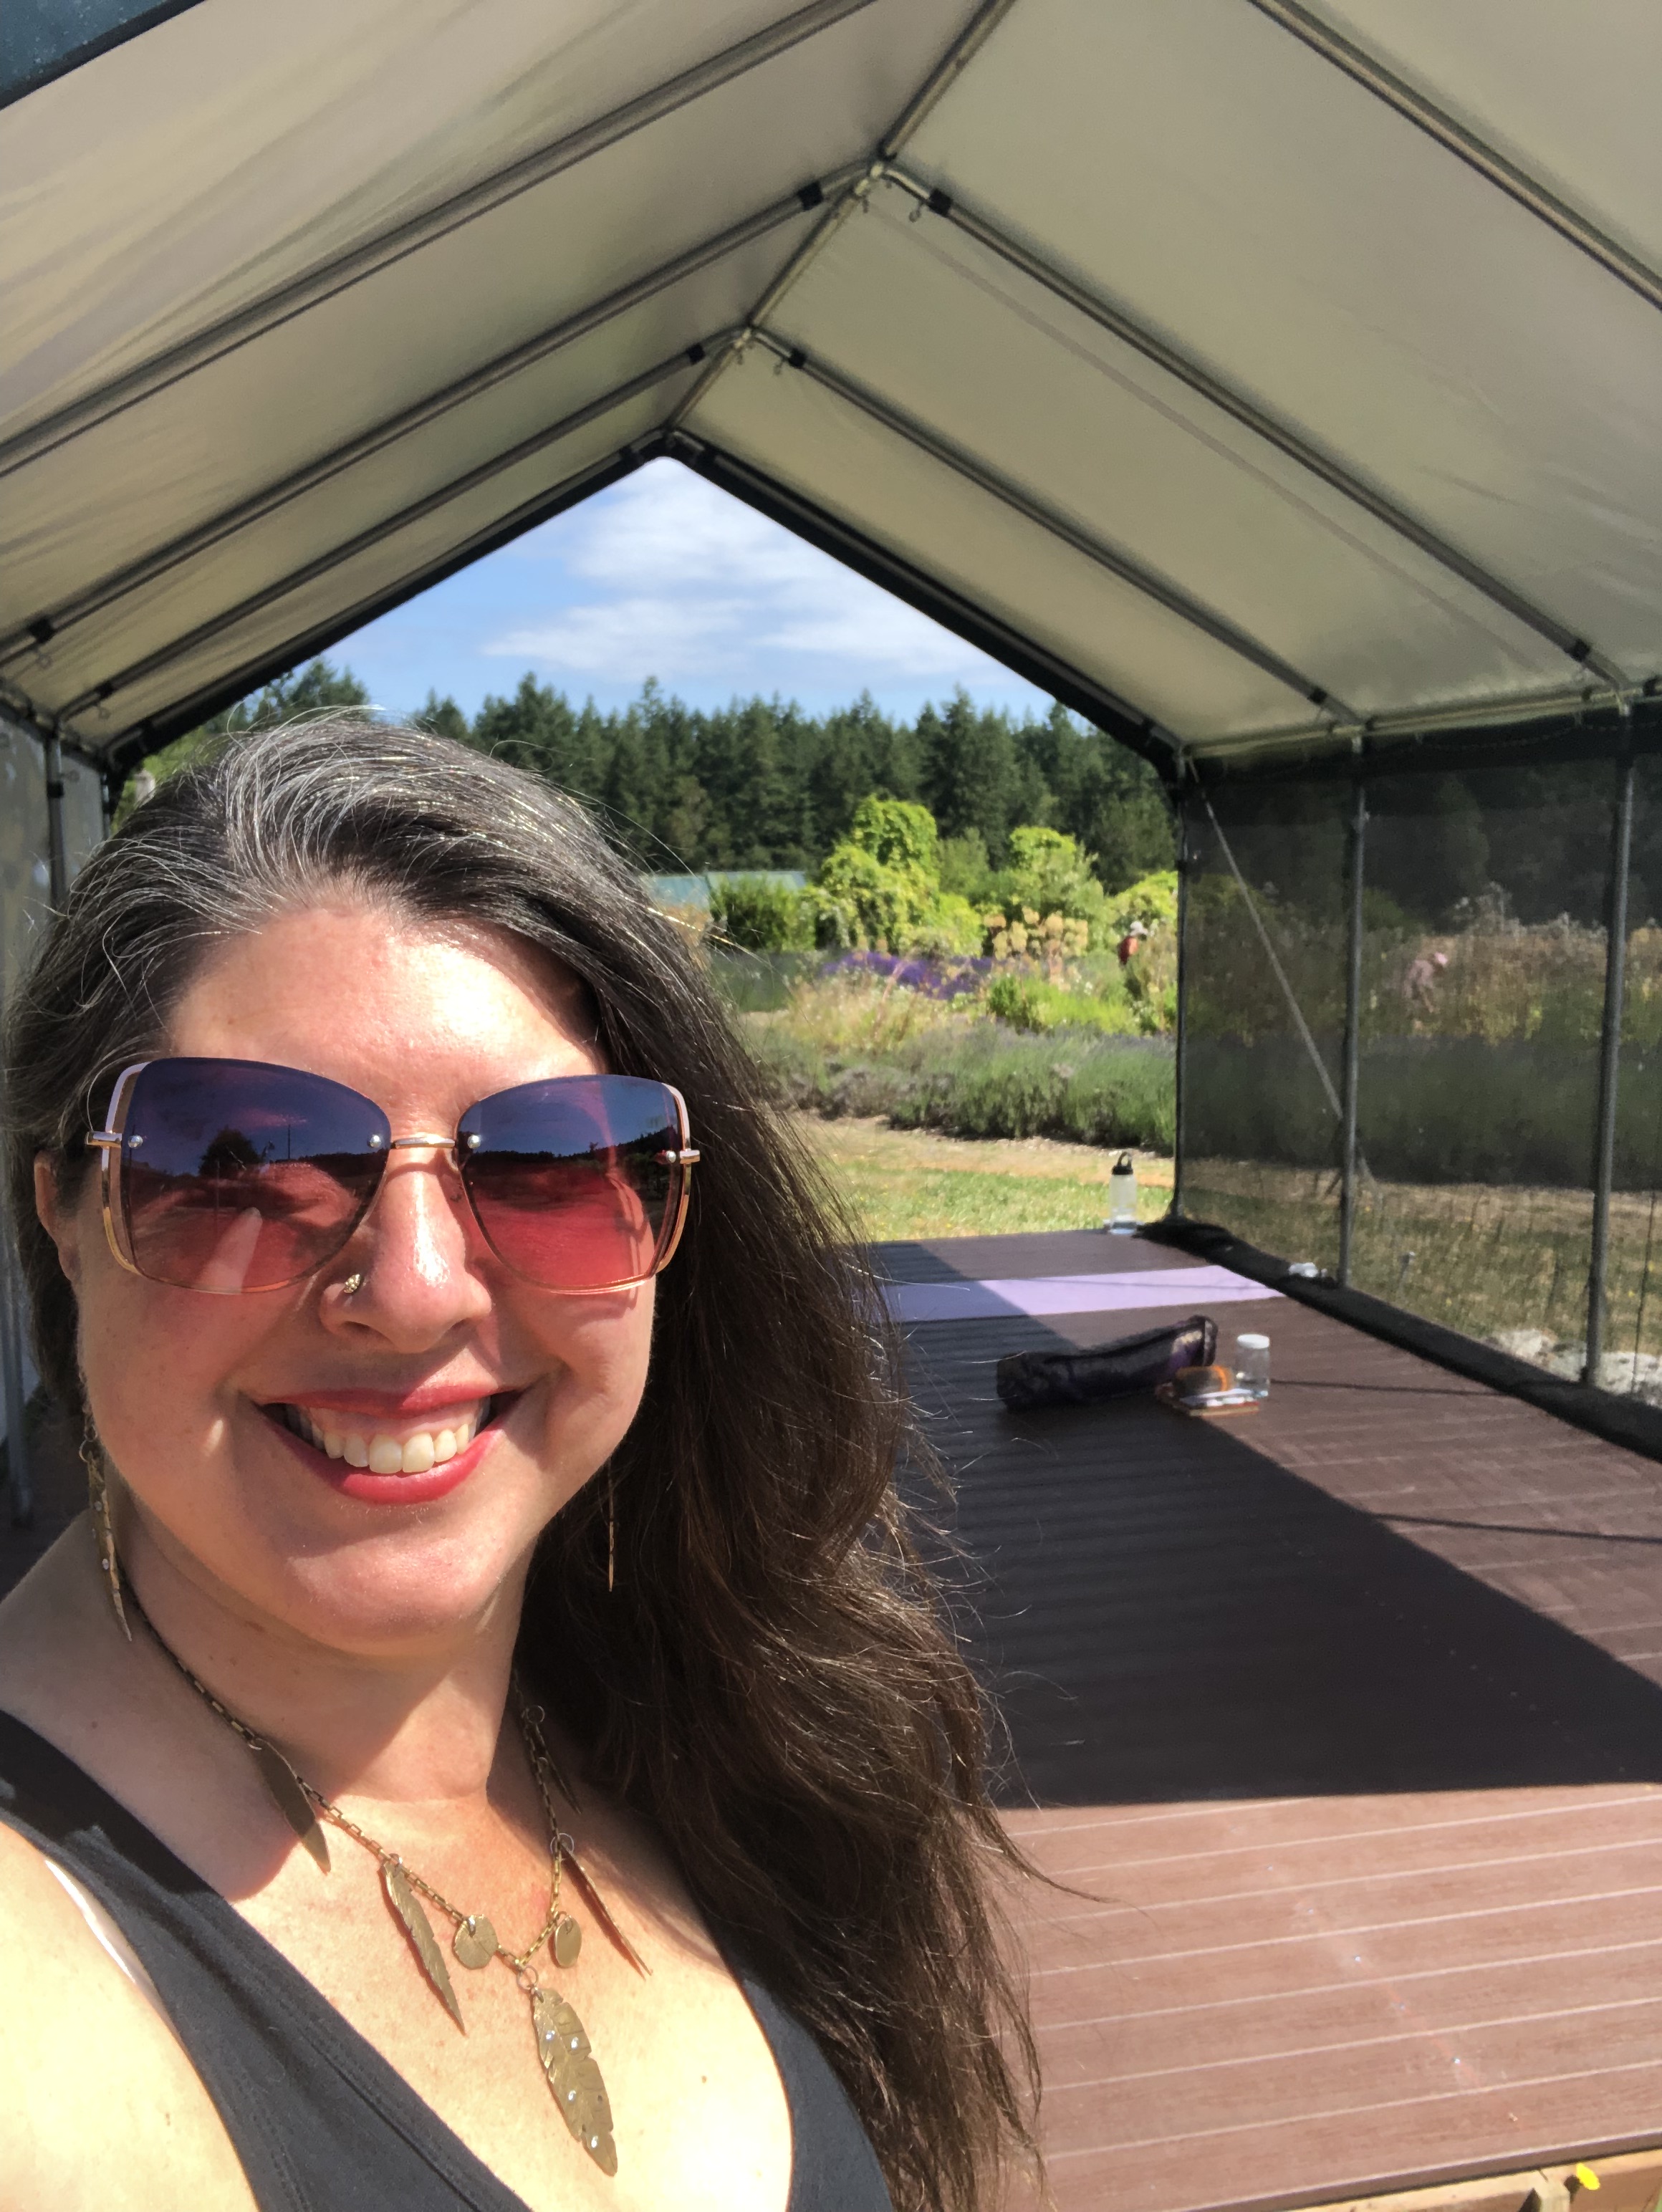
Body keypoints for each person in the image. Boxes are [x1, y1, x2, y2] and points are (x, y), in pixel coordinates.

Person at [0, 720, 1037, 2212]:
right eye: (240, 1166)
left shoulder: (711, 1717)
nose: (415, 1289)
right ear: (65, 1210)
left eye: (547, 1163)